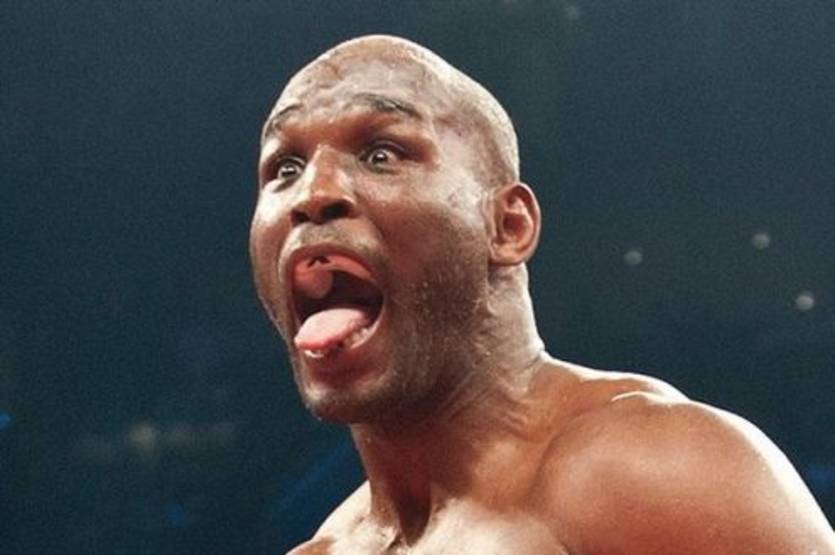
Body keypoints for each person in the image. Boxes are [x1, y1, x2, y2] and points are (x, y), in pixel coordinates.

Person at [249, 35, 835, 554]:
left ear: (509, 226)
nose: (313, 193)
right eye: (286, 167)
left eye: (381, 154)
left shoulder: (654, 468)